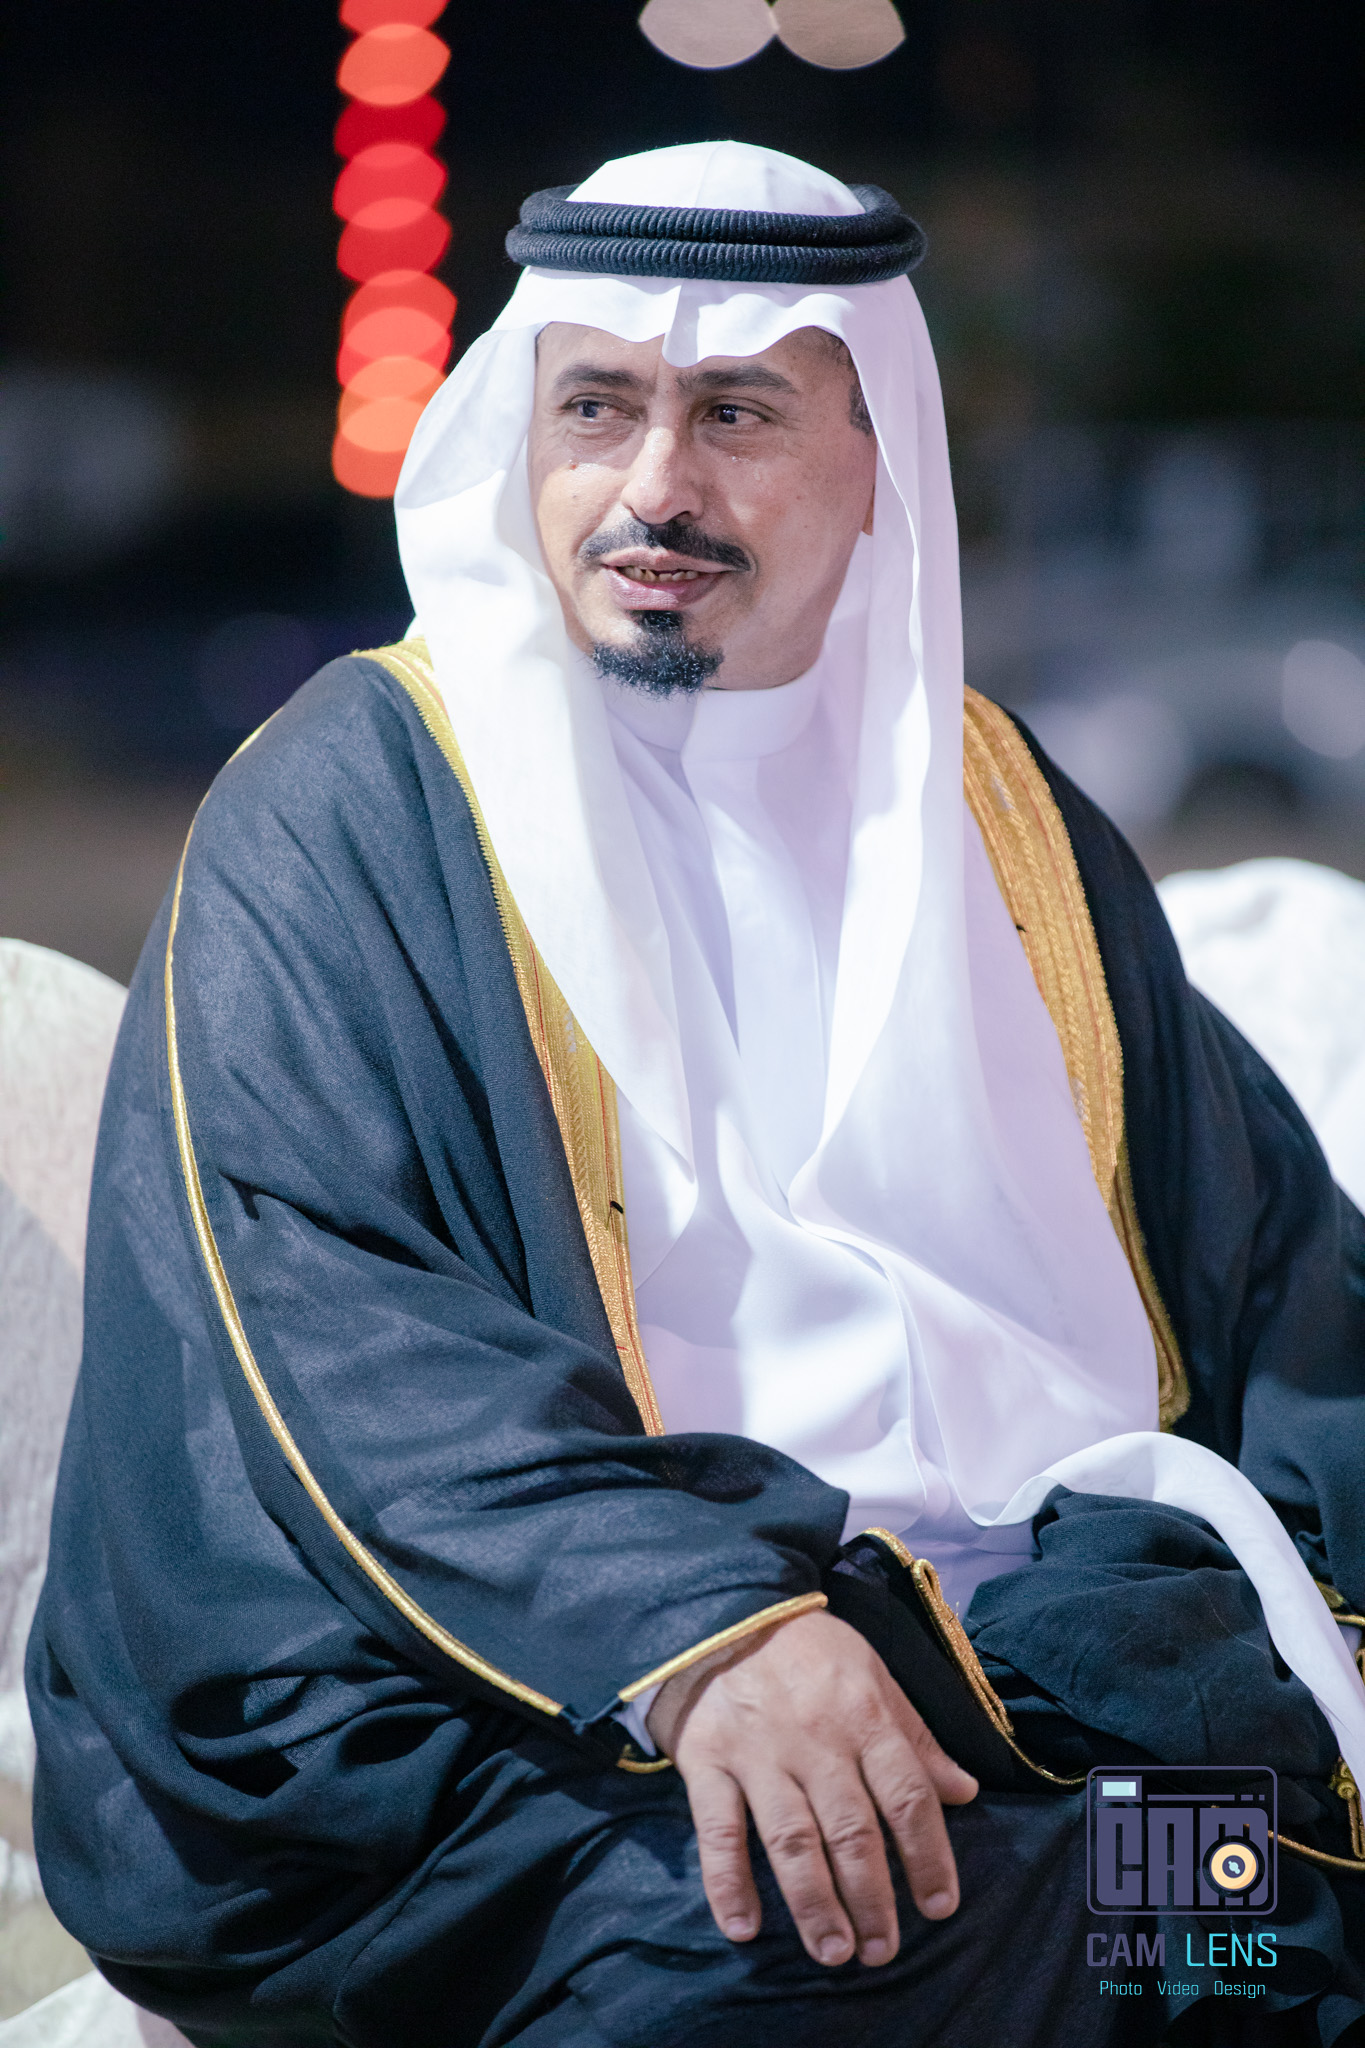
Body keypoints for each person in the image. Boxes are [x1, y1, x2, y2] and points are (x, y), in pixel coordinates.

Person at [27, 141, 1365, 2047]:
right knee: (808, 1950)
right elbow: (330, 1321)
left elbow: (1274, 1275)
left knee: (1237, 1921)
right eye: (596, 408)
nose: (654, 485)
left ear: (875, 453)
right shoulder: (353, 803)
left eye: (734, 412)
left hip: (1011, 1672)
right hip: (520, 1695)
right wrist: (697, 1637)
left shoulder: (1001, 818)